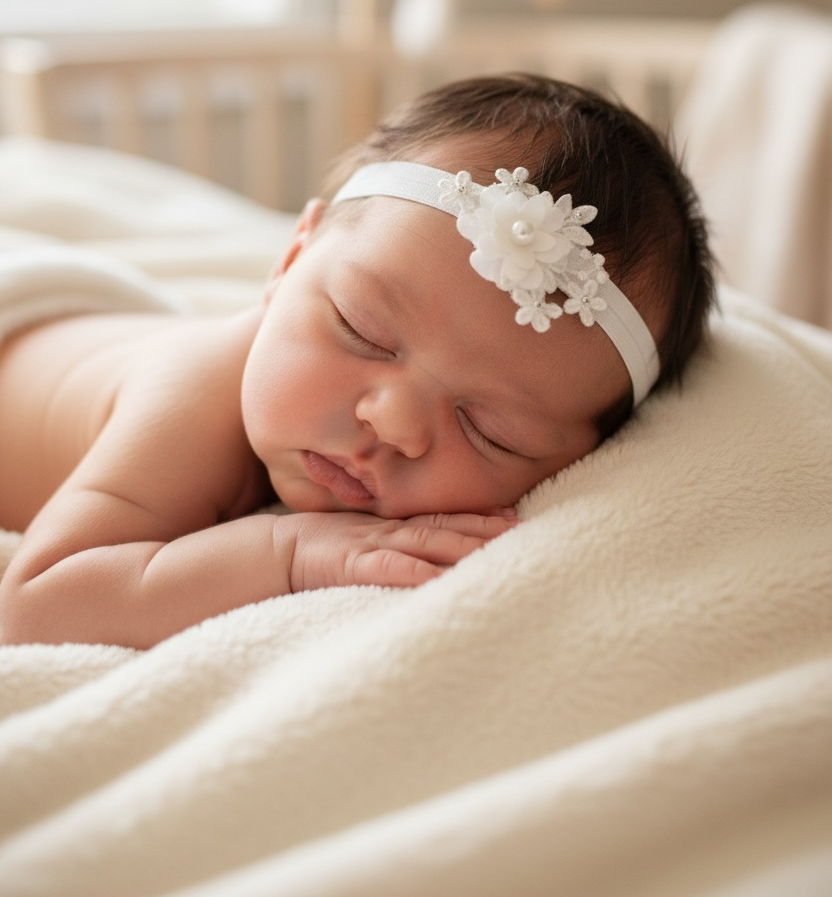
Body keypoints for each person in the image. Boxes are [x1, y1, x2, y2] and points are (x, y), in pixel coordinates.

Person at [0, 74, 714, 648]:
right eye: (361, 330)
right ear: (290, 258)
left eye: (489, 429)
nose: (393, 422)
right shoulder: (194, 397)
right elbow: (36, 606)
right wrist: (287, 552)